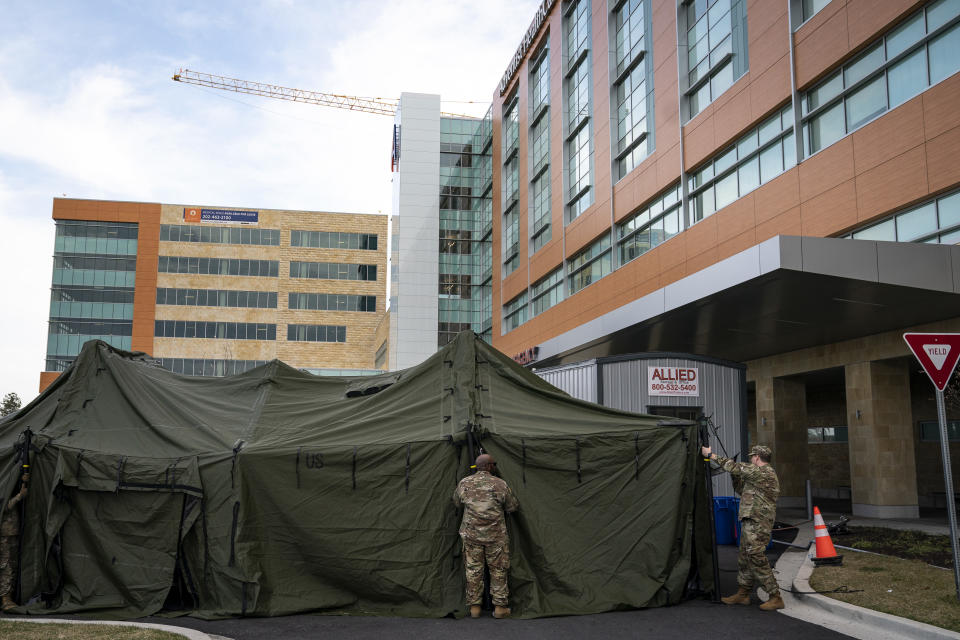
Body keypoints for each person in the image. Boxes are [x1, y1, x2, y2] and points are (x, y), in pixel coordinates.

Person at [700, 444, 783, 611]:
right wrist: (734, 476)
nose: (751, 459)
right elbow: (741, 489)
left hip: (759, 522)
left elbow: (736, 467)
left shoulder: (764, 472)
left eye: (752, 457)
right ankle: (743, 594)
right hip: (750, 520)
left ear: (757, 457)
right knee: (745, 557)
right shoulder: (756, 477)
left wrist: (711, 455)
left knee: (755, 555)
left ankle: (775, 596)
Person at [453, 454, 519, 619]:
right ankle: (499, 608)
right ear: (489, 466)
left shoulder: (464, 483)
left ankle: (475, 608)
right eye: (494, 464)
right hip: (495, 537)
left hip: (471, 536)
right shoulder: (500, 484)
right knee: (498, 570)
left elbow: (456, 502)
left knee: (473, 570)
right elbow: (512, 507)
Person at [0, 472, 29, 612]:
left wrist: (23, 482)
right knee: (6, 566)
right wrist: (19, 497)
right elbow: (4, 507)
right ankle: (5, 599)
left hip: (13, 531)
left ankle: (9, 597)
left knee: (13, 565)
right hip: (5, 532)